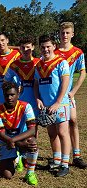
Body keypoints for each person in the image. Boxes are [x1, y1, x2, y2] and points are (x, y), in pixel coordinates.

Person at [34, 34, 71, 177]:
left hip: (60, 104)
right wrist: (38, 99)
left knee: (62, 132)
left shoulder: (61, 62)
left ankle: (65, 164)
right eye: (43, 47)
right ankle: (56, 160)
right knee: (52, 133)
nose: (45, 49)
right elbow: (36, 85)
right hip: (46, 106)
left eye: (48, 46)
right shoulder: (39, 65)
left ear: (54, 46)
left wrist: (57, 102)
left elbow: (65, 83)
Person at [55, 22, 86, 169]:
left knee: (73, 121)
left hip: (68, 95)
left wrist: (73, 91)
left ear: (72, 34)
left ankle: (77, 155)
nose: (65, 35)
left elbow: (83, 73)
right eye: (62, 32)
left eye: (67, 33)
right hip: (55, 95)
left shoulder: (78, 52)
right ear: (59, 33)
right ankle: (59, 156)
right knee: (58, 126)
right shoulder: (53, 51)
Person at [0, 81, 39, 185]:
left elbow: (32, 130)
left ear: (18, 94)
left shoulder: (26, 106)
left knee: (32, 142)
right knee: (7, 175)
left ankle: (30, 173)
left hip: (18, 139)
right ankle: (15, 158)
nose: (9, 98)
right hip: (6, 141)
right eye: (7, 95)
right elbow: (1, 134)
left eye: (12, 95)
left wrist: (14, 140)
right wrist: (12, 141)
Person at [6, 37, 40, 117]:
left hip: (36, 100)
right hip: (21, 100)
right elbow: (5, 81)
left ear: (33, 47)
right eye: (23, 47)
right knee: (23, 127)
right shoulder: (14, 65)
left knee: (34, 126)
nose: (25, 50)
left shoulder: (38, 62)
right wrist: (14, 87)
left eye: (28, 47)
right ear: (20, 48)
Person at [0, 31, 21, 109]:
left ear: (7, 40)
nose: (0, 43)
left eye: (2, 40)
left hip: (14, 95)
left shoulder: (17, 55)